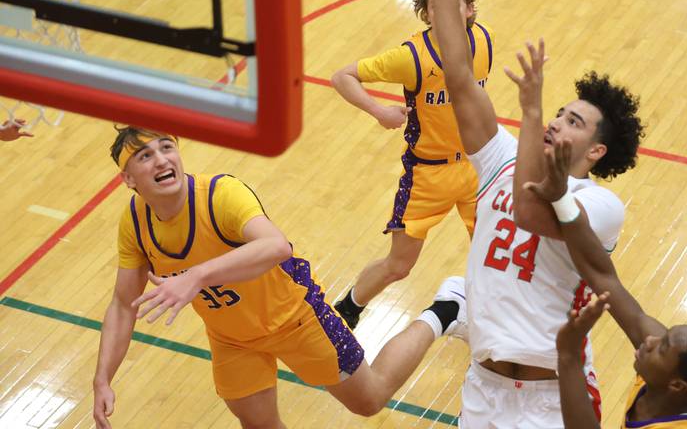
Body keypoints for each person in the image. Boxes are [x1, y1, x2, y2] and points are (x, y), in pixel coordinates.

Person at [398, 0, 645, 428]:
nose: (557, 120)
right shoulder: (500, 158)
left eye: (573, 121)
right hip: (484, 388)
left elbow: (533, 212)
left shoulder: (601, 208)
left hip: (552, 400)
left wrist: (531, 113)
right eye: (558, 111)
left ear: (596, 151)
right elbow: (459, 74)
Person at [92, 127, 468, 429]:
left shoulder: (219, 195)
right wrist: (103, 379)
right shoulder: (136, 222)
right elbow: (124, 304)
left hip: (295, 318)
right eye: (146, 156)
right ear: (128, 179)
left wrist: (197, 276)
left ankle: (444, 312)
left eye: (166, 147)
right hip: (232, 337)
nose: (162, 159)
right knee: (257, 423)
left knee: (369, 401)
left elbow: (276, 246)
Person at [331, 0, 494, 329]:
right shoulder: (412, 58)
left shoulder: (484, 41)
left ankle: (493, 318)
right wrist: (378, 110)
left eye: (455, 3)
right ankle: (348, 308)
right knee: (400, 266)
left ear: (470, 9)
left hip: (476, 167)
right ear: (426, 14)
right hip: (427, 174)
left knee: (493, 255)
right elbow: (341, 76)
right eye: (437, 6)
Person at [531, 141, 687, 428]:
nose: (649, 340)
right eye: (663, 336)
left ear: (677, 386)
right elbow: (604, 278)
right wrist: (562, 201)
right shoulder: (663, 379)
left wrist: (569, 356)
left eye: (662, 347)